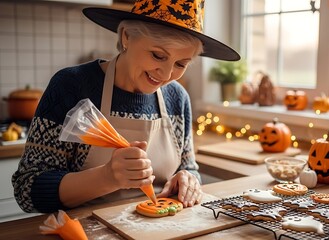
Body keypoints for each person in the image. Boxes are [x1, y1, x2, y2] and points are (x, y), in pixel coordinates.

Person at [12, 0, 239, 213]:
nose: (167, 75)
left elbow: (189, 168)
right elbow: (26, 190)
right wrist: (107, 177)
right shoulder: (72, 86)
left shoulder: (177, 98)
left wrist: (188, 179)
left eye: (181, 64)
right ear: (127, 36)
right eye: (158, 55)